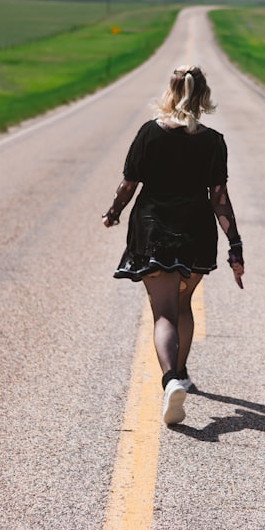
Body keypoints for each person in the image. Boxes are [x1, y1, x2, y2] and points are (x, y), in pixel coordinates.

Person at [102, 65, 244, 426]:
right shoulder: (213, 141)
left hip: (152, 228)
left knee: (162, 312)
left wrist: (113, 213)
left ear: (170, 91)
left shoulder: (149, 133)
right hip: (196, 230)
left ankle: (170, 381)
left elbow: (128, 184)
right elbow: (220, 199)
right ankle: (180, 373)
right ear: (203, 97)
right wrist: (235, 246)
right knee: (183, 305)